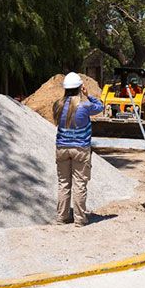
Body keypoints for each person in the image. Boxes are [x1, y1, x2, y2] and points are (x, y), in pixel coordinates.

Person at [53, 72, 104, 227]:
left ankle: (62, 217)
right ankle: (80, 219)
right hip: (80, 149)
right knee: (79, 184)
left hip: (62, 148)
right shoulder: (85, 106)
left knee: (63, 183)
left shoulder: (57, 105)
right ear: (79, 87)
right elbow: (100, 107)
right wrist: (88, 95)